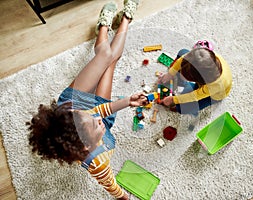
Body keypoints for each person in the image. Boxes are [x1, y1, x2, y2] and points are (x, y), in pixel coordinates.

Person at [26, 1, 143, 199]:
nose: (97, 117)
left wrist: (127, 102)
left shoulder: (81, 119)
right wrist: (126, 198)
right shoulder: (98, 164)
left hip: (74, 99)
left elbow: (97, 113)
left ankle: (104, 27)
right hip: (81, 117)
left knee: (105, 54)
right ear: (87, 146)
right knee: (111, 63)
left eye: (90, 118)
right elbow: (111, 186)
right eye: (96, 123)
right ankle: (125, 19)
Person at [157, 43, 232, 115]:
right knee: (182, 52)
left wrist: (173, 99)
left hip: (213, 95)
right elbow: (183, 58)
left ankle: (186, 86)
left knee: (182, 107)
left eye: (186, 77)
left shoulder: (215, 85)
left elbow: (194, 96)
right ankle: (184, 81)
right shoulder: (206, 56)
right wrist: (170, 74)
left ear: (200, 81)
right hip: (203, 77)